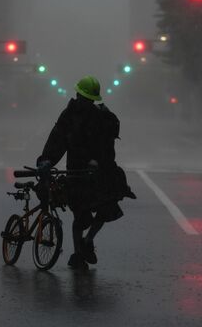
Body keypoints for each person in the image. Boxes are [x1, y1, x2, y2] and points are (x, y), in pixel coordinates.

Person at [37, 76, 135, 270]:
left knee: (107, 206)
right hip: (76, 173)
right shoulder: (69, 116)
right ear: (78, 96)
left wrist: (99, 162)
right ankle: (77, 253)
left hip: (97, 173)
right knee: (80, 215)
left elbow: (107, 145)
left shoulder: (102, 118)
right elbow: (57, 139)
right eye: (85, 98)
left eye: (89, 99)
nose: (86, 102)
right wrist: (46, 160)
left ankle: (88, 240)